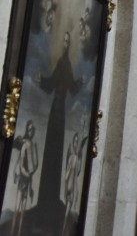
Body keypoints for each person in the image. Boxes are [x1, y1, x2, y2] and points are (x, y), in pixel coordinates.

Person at [36, 32, 84, 210]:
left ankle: (51, 196)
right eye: (63, 41)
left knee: (55, 150)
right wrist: (42, 80)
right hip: (57, 108)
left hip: (60, 110)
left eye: (67, 42)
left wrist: (80, 81)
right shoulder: (63, 63)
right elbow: (52, 84)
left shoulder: (67, 63)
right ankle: (47, 196)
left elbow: (71, 87)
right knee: (51, 150)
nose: (65, 44)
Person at [11, 120, 39, 236]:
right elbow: (22, 164)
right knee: (17, 207)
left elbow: (34, 164)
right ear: (27, 130)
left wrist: (30, 174)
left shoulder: (32, 145)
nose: (30, 131)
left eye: (32, 129)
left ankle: (17, 233)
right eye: (29, 129)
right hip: (23, 178)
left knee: (22, 209)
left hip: (28, 180)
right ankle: (12, 232)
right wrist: (25, 173)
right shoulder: (24, 144)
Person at [60, 132, 85, 236]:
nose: (75, 143)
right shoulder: (72, 157)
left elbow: (78, 171)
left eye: (77, 142)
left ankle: (66, 231)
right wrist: (67, 186)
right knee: (68, 210)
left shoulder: (77, 158)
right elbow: (68, 173)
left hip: (74, 185)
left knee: (70, 210)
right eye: (75, 141)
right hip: (70, 184)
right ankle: (63, 231)